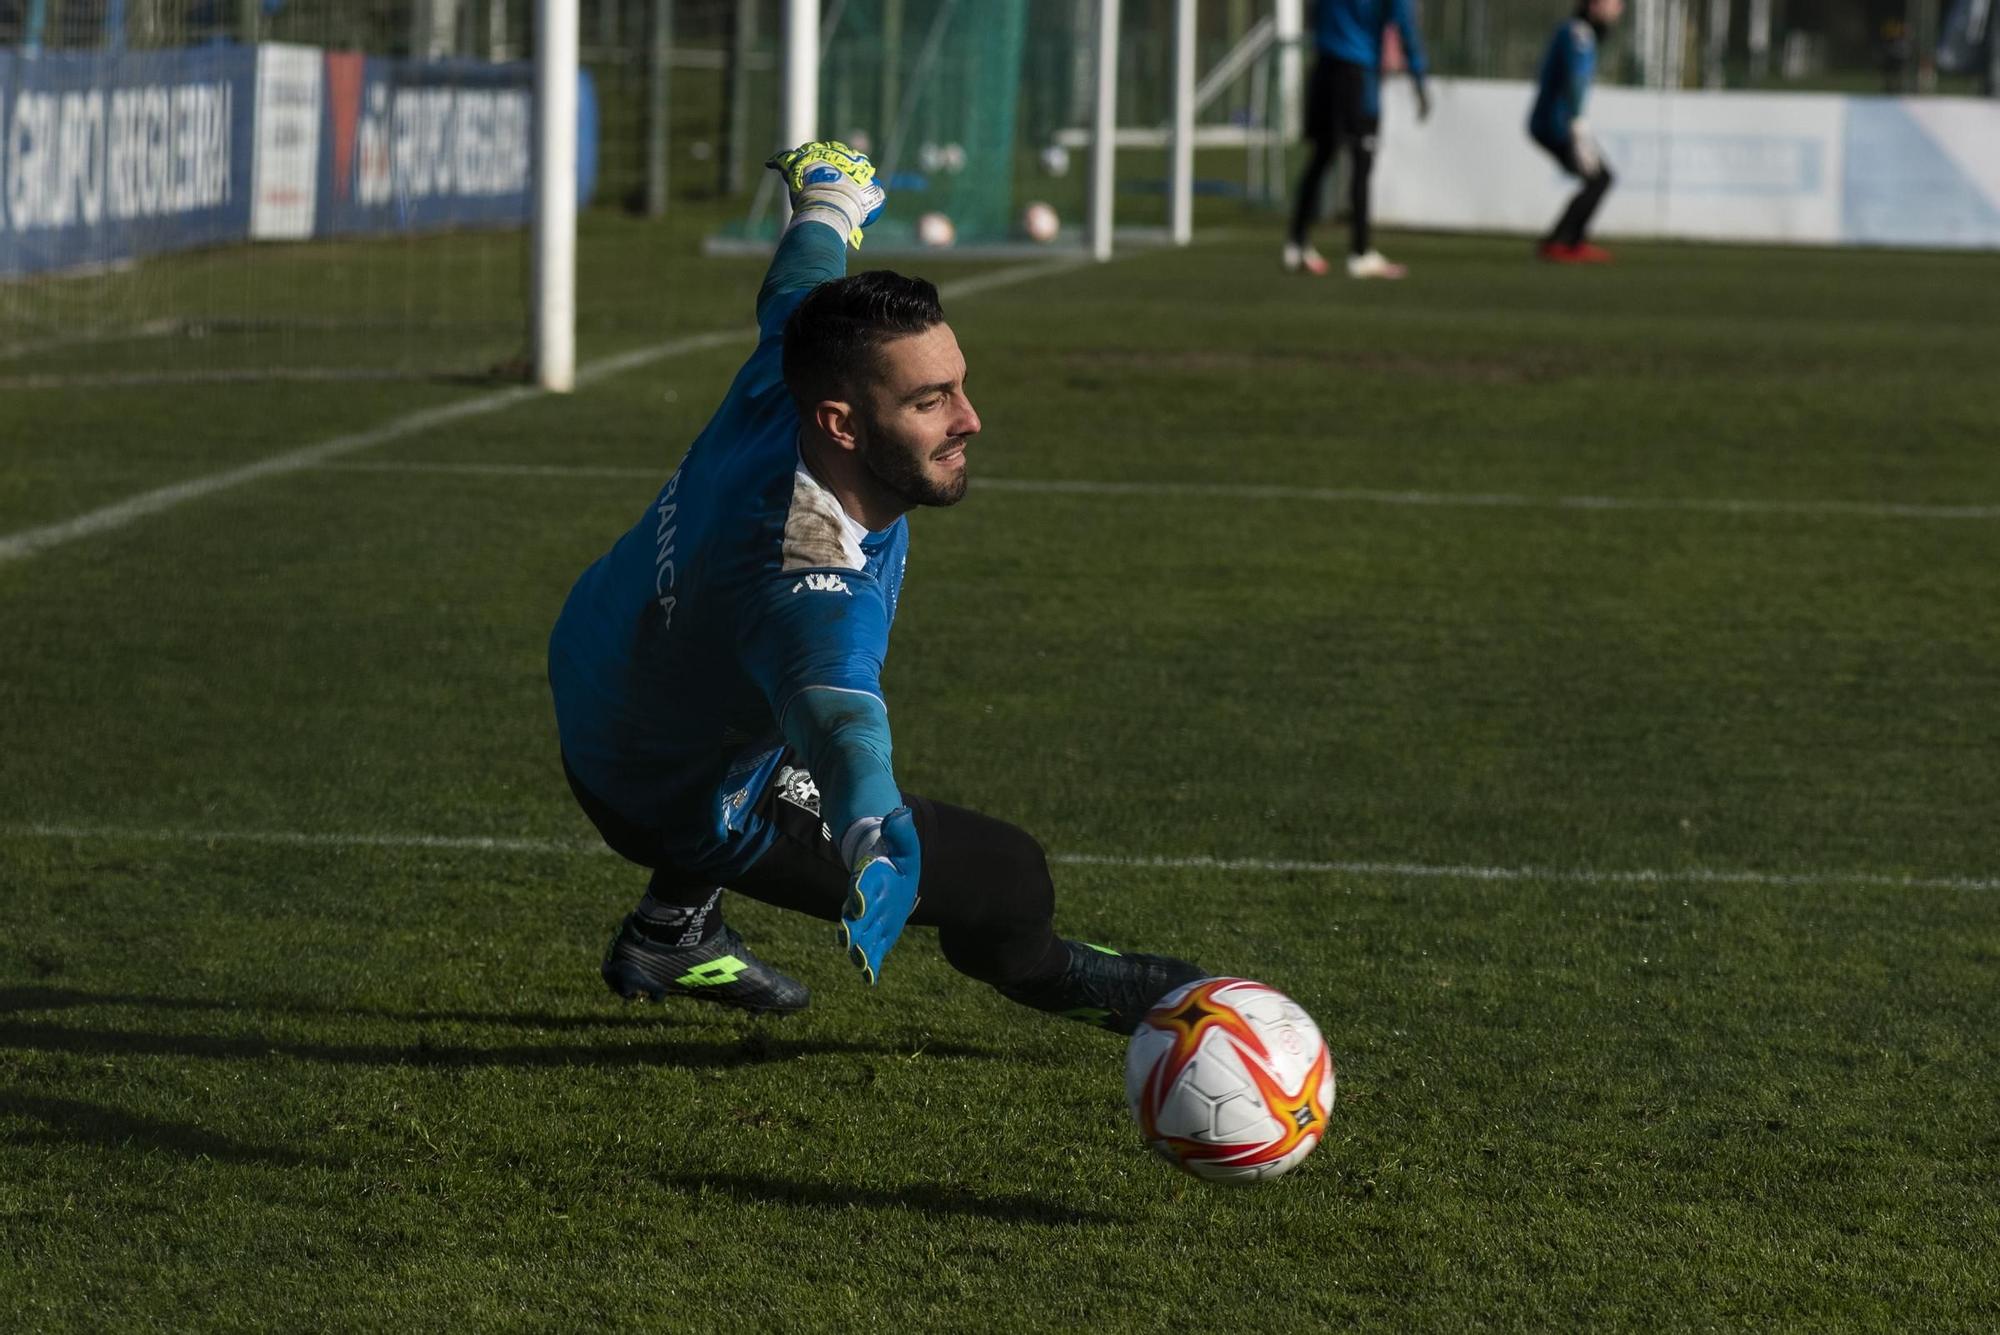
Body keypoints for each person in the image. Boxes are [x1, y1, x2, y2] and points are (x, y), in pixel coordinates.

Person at [547, 141, 1204, 1033]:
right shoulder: (811, 577)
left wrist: (827, 201)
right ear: (843, 425)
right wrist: (867, 833)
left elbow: (799, 282)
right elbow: (837, 713)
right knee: (1006, 876)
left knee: (732, 703)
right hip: (652, 785)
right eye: (931, 400)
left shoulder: (799, 362)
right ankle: (1076, 978)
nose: (970, 418)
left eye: (959, 385)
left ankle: (672, 928)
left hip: (607, 643)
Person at [1284, 0, 1433, 280]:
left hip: (1324, 67)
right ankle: (1360, 252)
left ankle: (1296, 243)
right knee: (1362, 161)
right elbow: (1403, 24)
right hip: (1357, 73)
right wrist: (1418, 76)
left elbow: (1315, 13)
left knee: (1321, 156)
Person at [1529, 0, 1624, 263]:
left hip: (1557, 122)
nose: (1619, 8)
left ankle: (1567, 241)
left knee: (1598, 180)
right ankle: (1562, 243)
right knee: (1599, 179)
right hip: (1557, 125)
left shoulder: (1577, 32)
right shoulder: (1579, 34)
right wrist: (1578, 127)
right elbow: (1575, 78)